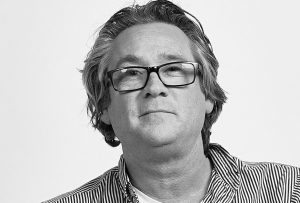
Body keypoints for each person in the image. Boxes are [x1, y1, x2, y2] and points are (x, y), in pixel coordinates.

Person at [43, 0, 300, 202]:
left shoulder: (291, 192)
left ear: (208, 94)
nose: (155, 87)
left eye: (174, 69)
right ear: (103, 107)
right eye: (131, 73)